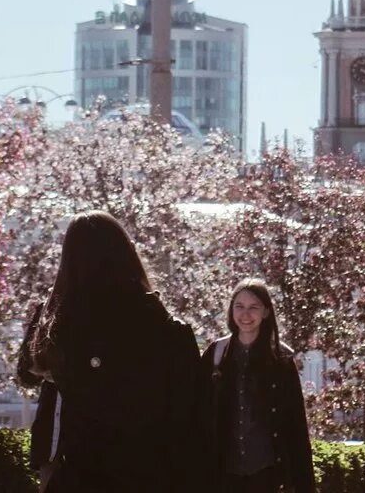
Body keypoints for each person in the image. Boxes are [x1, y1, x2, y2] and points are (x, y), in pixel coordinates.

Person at [17, 211, 200, 493]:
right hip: (148, 472)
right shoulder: (164, 327)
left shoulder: (60, 324)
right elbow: (191, 418)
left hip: (81, 473)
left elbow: (26, 372)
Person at [199, 278, 314, 493]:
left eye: (253, 307)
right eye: (239, 306)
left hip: (267, 473)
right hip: (224, 473)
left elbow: (296, 426)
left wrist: (305, 485)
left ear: (266, 312)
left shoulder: (280, 360)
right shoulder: (215, 354)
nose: (245, 314)